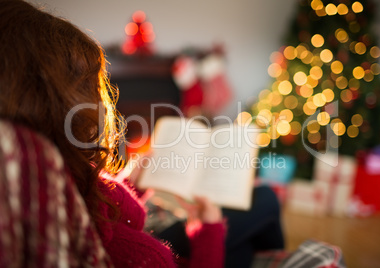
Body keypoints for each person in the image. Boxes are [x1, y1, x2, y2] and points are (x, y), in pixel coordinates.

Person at [0, 1, 283, 267]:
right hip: (183, 251)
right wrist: (207, 229)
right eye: (90, 86)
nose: (101, 100)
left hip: (158, 238)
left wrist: (134, 183)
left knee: (251, 230)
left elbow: (103, 211)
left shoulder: (46, 172)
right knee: (266, 198)